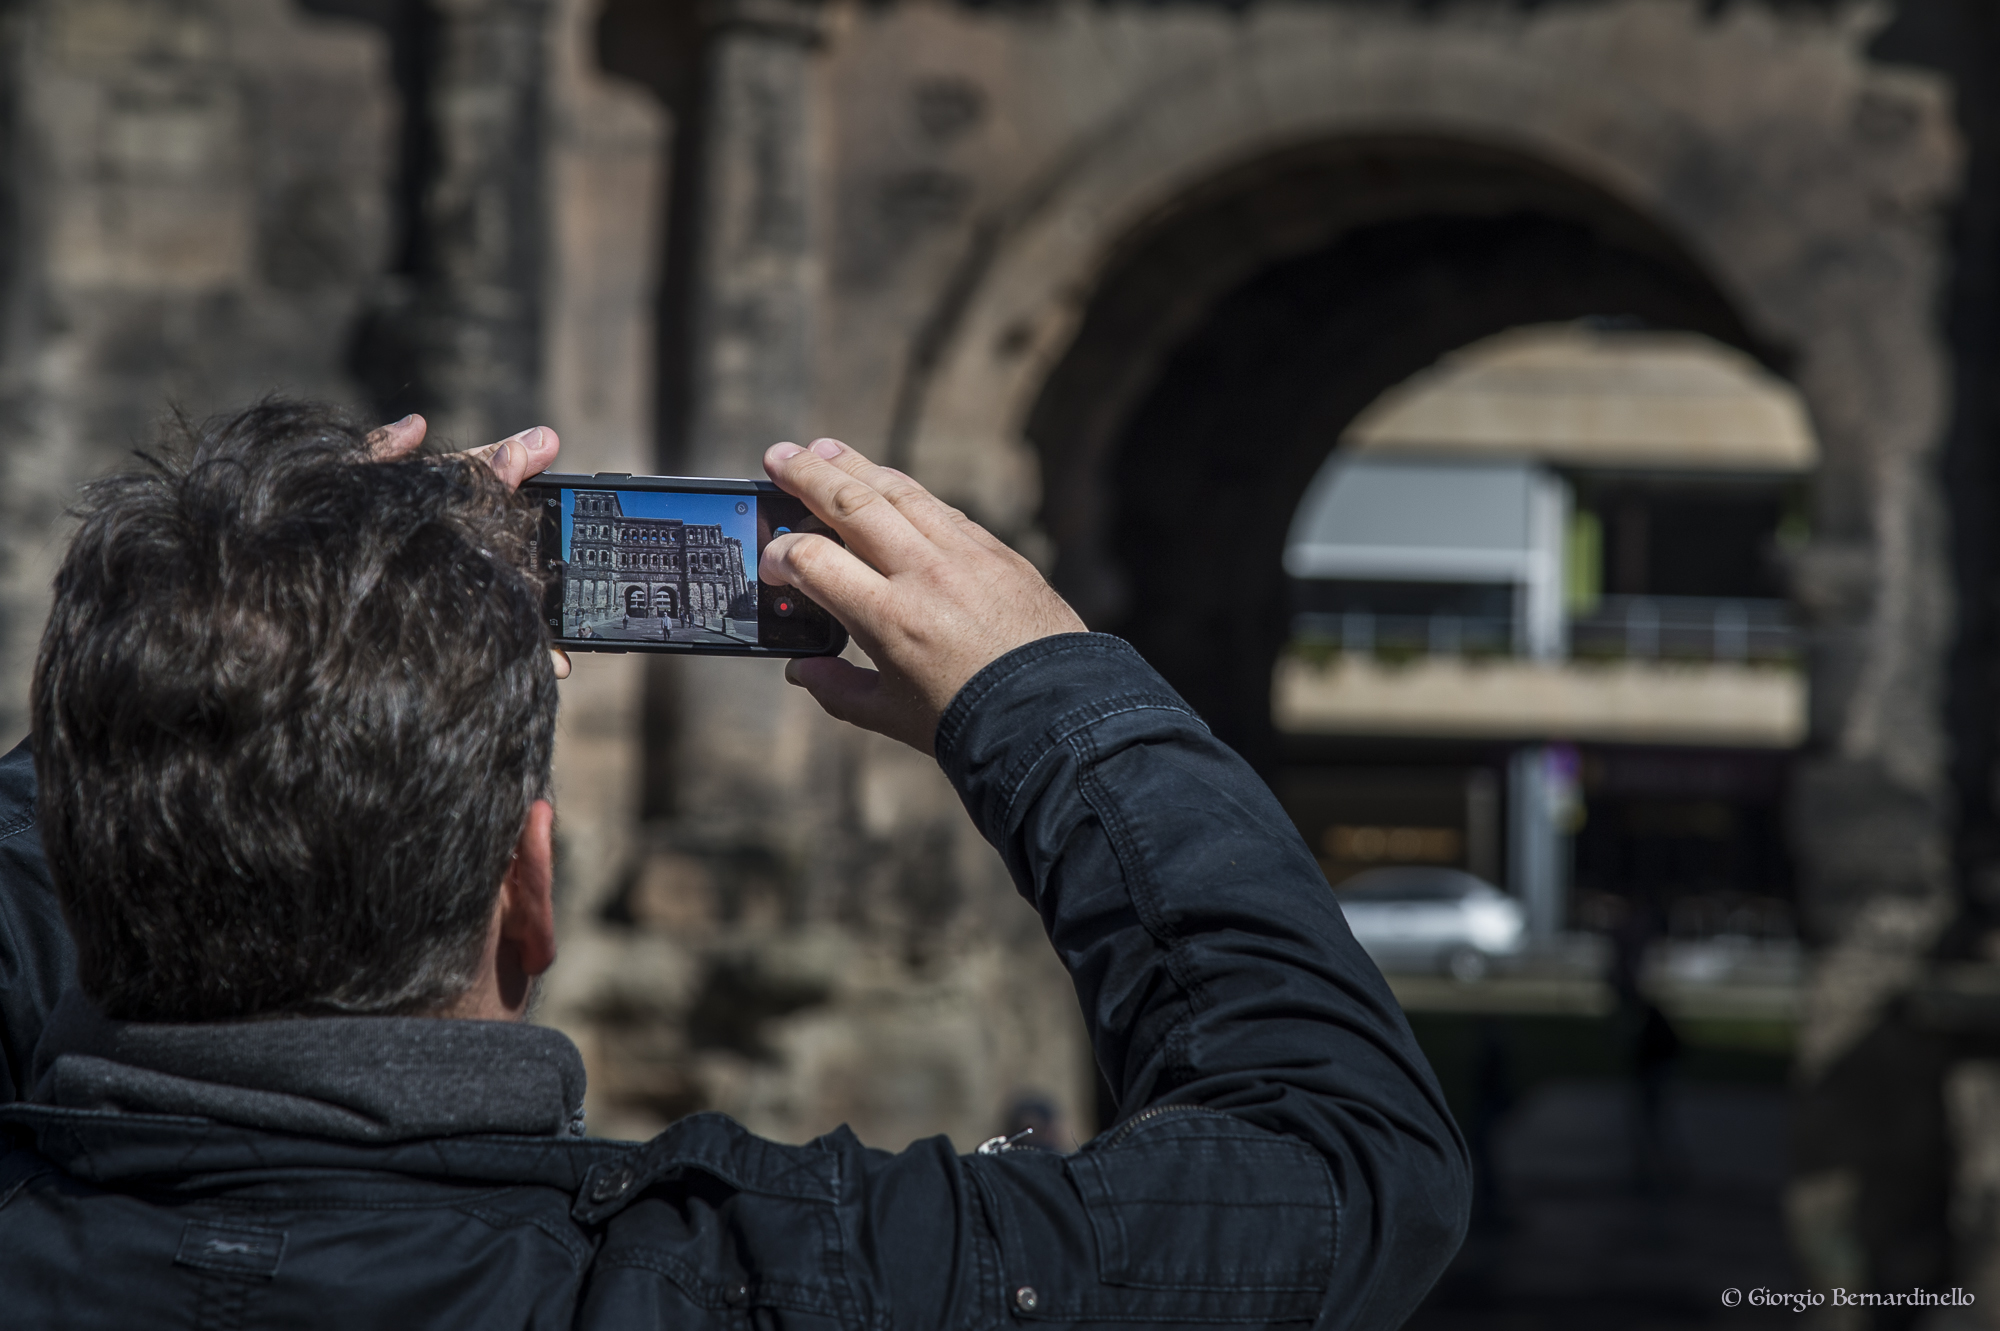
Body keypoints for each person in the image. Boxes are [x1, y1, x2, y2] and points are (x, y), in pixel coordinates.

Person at [0, 401, 1469, 1327]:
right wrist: (1046, 694)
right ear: (529, 896)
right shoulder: (790, 1284)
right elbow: (1344, 1165)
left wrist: (207, 673)